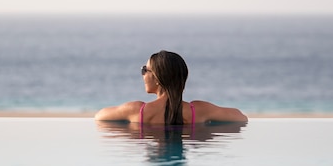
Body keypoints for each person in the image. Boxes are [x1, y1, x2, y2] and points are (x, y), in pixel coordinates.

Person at [95, 50, 248, 124]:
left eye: (144, 70)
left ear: (157, 78)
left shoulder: (137, 110)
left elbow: (100, 116)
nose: (142, 75)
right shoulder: (199, 111)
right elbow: (241, 118)